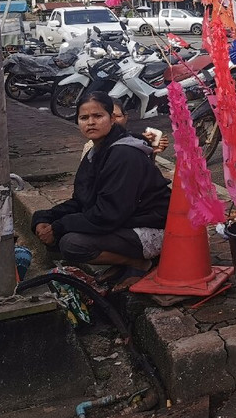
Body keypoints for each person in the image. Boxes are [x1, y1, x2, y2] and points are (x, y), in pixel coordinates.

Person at [32, 92, 171, 289]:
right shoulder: (95, 152)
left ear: (112, 119)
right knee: (61, 231)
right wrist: (44, 217)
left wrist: (60, 226)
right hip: (125, 222)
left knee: (72, 243)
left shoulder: (124, 154)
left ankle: (139, 263)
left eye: (98, 116)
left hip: (154, 229)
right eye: (84, 118)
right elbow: (81, 201)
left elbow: (109, 214)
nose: (91, 122)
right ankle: (124, 262)